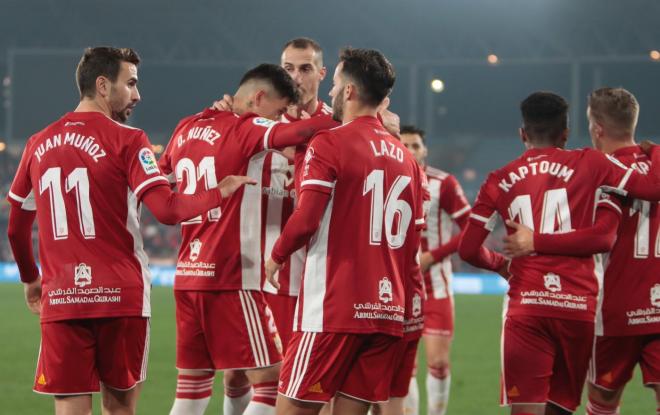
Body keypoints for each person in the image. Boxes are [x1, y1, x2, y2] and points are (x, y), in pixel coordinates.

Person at [5, 46, 251, 415]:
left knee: (70, 408)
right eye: (131, 83)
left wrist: (30, 278)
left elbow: (15, 229)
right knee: (119, 408)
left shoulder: (38, 144)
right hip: (120, 297)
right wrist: (221, 190)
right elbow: (168, 210)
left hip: (62, 298)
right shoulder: (128, 140)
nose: (137, 94)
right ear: (103, 86)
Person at [458, 91, 660, 415]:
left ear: (522, 133)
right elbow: (646, 196)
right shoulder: (592, 164)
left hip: (527, 307)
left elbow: (467, 249)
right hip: (576, 307)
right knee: (561, 408)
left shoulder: (498, 179)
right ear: (565, 133)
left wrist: (501, 265)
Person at [158, 63, 339, 415]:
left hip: (188, 275)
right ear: (258, 99)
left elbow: (162, 180)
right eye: (278, 111)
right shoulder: (246, 127)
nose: (280, 118)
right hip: (230, 276)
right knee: (273, 379)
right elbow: (306, 131)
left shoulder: (185, 127)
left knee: (192, 387)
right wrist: (356, 116)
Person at [264, 47, 425, 415]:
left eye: (335, 85)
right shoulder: (408, 161)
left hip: (334, 310)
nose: (332, 93)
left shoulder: (330, 143)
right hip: (386, 314)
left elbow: (306, 219)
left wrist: (275, 258)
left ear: (350, 91)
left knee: (291, 408)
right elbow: (410, 246)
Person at [400, 125, 471, 415]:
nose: (410, 151)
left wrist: (433, 256)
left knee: (439, 362)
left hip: (436, 285)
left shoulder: (444, 183)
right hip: (399, 287)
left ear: (424, 149)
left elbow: (471, 228)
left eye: (415, 145)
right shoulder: (386, 178)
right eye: (404, 145)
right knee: (404, 368)